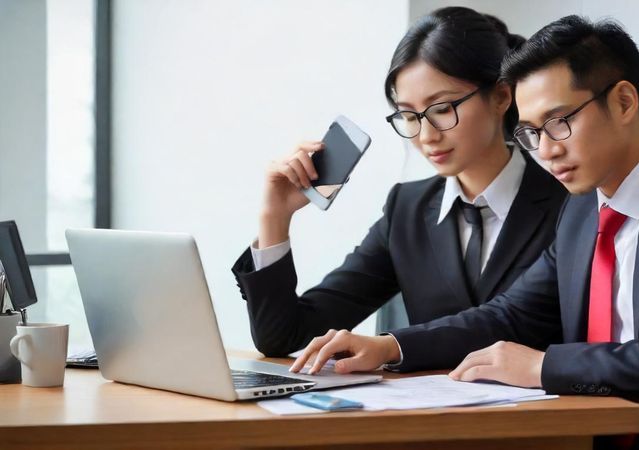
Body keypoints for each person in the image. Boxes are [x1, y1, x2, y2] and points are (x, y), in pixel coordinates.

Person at [290, 15, 639, 449]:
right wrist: (390, 347)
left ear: (624, 102)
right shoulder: (580, 212)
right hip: (594, 437)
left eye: (559, 122)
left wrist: (542, 367)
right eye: (531, 132)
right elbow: (510, 314)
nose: (546, 150)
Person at [231, 7, 567, 357]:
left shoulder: (570, 205)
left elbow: (511, 323)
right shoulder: (407, 210)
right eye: (409, 115)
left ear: (500, 96)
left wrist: (391, 346)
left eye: (442, 109)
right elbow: (283, 337)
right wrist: (275, 217)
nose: (426, 136)